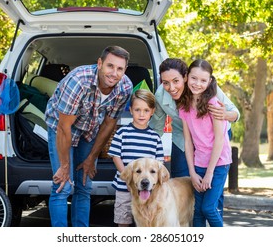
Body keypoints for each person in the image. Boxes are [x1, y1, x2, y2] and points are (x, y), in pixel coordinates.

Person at [45, 45, 133, 227]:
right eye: (110, 66)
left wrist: (91, 158)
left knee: (84, 186)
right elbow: (64, 127)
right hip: (60, 127)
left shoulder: (125, 87)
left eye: (120, 69)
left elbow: (109, 123)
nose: (114, 73)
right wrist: (64, 166)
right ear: (100, 63)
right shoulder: (79, 80)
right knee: (63, 186)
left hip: (90, 130)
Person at [149, 58, 239, 178]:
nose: (171, 88)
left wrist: (225, 114)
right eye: (165, 82)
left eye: (176, 81)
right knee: (180, 178)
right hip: (182, 136)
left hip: (213, 136)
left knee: (212, 180)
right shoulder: (160, 96)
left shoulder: (204, 86)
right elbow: (156, 129)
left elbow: (235, 113)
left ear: (185, 77)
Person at [177, 59, 232, 227]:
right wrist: (192, 173)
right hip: (198, 162)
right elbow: (188, 142)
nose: (197, 83)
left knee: (208, 208)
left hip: (218, 163)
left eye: (203, 80)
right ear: (186, 78)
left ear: (209, 81)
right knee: (198, 211)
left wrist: (209, 173)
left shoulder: (213, 104)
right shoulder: (184, 106)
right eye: (194, 78)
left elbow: (219, 140)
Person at [108, 89, 164, 227]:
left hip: (147, 190)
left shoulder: (155, 137)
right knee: (123, 220)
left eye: (146, 110)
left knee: (147, 222)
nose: (141, 114)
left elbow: (159, 164)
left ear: (152, 111)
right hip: (124, 187)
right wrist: (128, 179)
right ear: (131, 110)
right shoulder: (122, 132)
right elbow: (116, 156)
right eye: (137, 110)